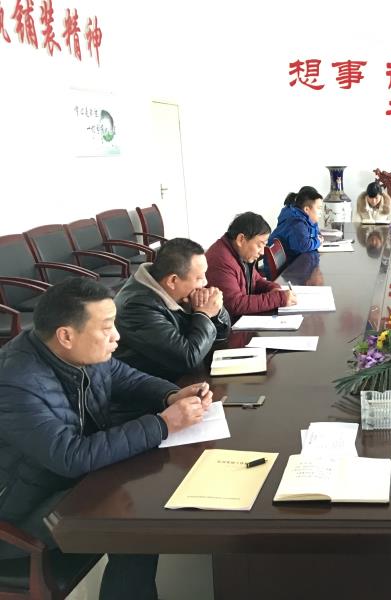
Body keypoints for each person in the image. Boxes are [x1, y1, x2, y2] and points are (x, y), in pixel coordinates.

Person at [0, 278, 214, 600]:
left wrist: (171, 395)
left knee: (144, 497)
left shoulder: (73, 352)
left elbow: (125, 377)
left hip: (61, 483)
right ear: (66, 335)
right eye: (106, 328)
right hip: (18, 515)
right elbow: (71, 456)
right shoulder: (17, 384)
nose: (117, 336)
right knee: (134, 526)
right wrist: (162, 424)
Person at [113, 238, 231, 381]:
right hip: (155, 387)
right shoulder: (136, 307)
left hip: (182, 378)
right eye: (199, 278)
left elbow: (223, 335)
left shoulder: (178, 292)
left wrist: (216, 310)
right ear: (172, 281)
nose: (205, 282)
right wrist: (204, 314)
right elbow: (187, 358)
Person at [205, 211, 297, 320]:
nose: (262, 252)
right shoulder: (221, 259)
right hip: (227, 325)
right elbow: (235, 304)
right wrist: (278, 299)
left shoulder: (240, 253)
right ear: (241, 239)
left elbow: (256, 281)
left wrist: (273, 288)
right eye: (259, 245)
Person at [269, 186, 324, 260]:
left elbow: (315, 233)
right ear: (306, 209)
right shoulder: (297, 223)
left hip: (294, 260)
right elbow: (304, 246)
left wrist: (317, 237)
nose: (321, 212)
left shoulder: (306, 219)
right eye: (319, 208)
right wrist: (318, 241)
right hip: (288, 264)